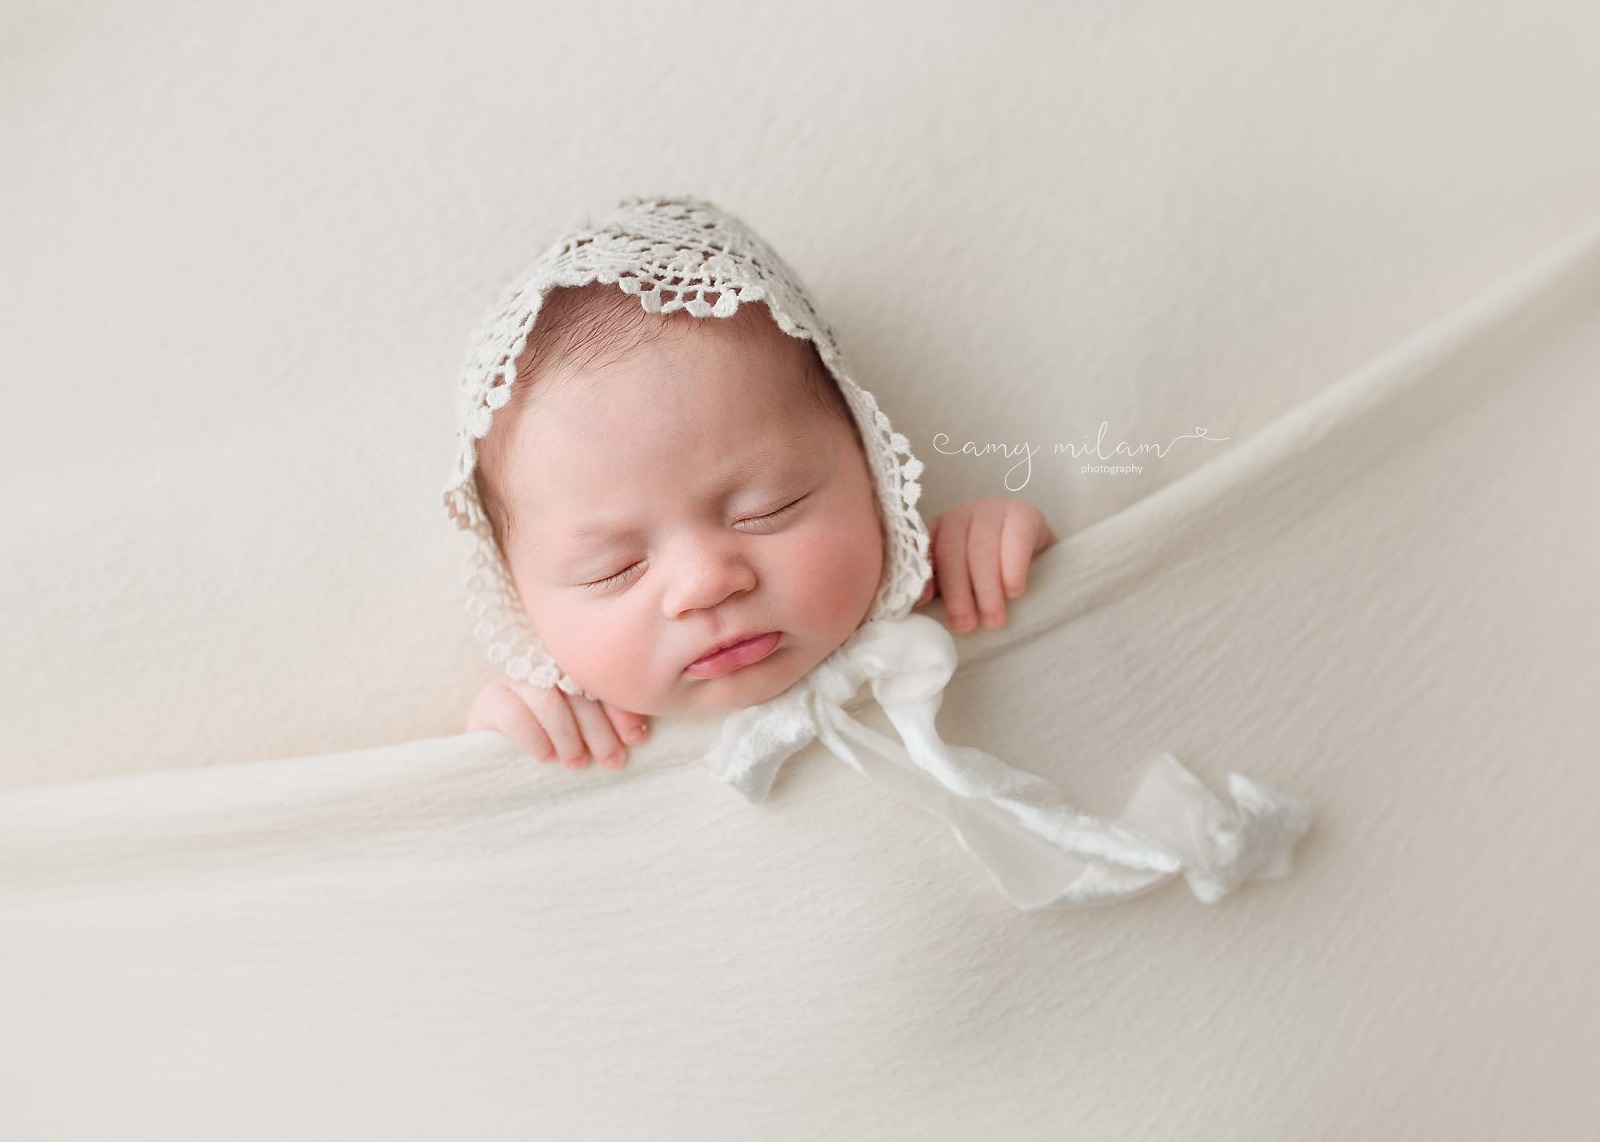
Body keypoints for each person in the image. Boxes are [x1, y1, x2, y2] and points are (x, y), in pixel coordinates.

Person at [458, 273, 1055, 770]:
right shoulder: (582, 741)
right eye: (612, 569)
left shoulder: (949, 599)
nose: (706, 584)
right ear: (518, 600)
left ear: (871, 468)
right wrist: (504, 747)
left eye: (768, 508)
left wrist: (1010, 559)